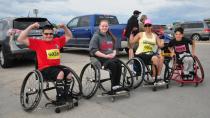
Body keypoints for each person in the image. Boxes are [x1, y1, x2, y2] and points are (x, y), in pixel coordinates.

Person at [17, 23, 73, 105]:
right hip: (44, 69)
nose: (48, 36)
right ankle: (60, 98)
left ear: (53, 34)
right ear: (42, 34)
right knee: (60, 73)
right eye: (46, 34)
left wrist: (64, 27)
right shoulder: (37, 43)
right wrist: (31, 26)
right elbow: (20, 38)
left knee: (69, 74)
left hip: (56, 67)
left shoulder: (57, 41)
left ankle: (66, 94)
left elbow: (69, 36)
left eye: (50, 34)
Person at [89, 20, 124, 94]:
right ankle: (113, 87)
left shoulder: (109, 36)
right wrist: (105, 55)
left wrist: (114, 54)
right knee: (113, 65)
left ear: (108, 27)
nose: (104, 27)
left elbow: (114, 48)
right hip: (100, 57)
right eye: (103, 26)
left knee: (119, 64)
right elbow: (93, 50)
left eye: (106, 26)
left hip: (110, 57)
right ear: (99, 27)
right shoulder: (96, 36)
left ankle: (116, 85)